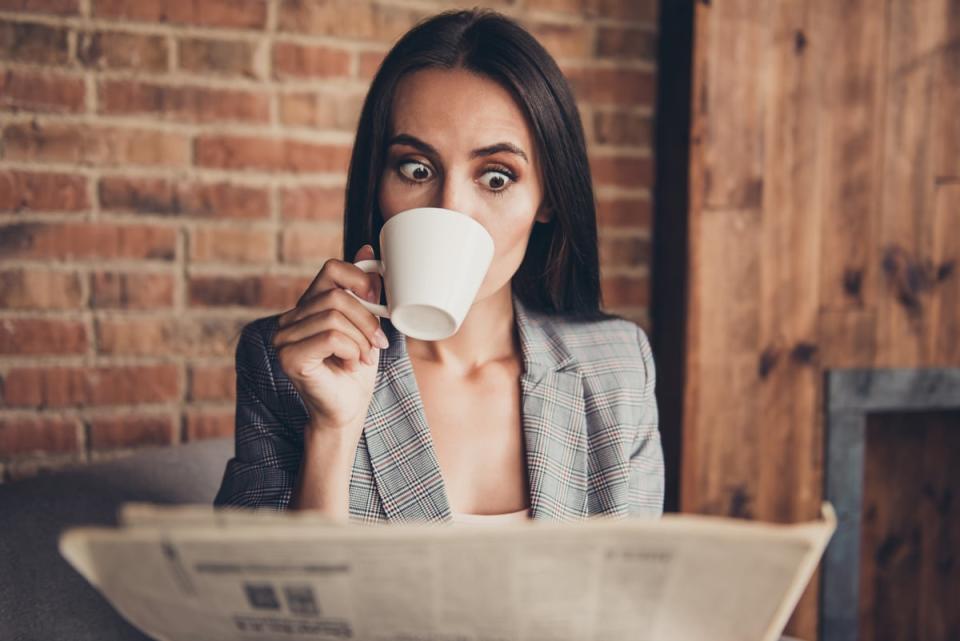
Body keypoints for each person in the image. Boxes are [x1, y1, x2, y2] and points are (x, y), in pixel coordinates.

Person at [213, 9, 664, 523]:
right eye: (416, 168)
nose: (449, 209)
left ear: (548, 198)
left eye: (496, 177)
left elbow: (633, 598)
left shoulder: (618, 369)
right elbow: (265, 601)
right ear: (378, 185)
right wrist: (332, 432)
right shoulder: (288, 367)